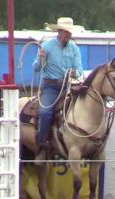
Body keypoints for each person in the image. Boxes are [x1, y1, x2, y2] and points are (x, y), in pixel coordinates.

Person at [32, 17, 83, 158]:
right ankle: (42, 144)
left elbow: (79, 69)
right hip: (50, 87)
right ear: (59, 32)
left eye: (69, 32)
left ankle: (77, 141)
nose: (68, 35)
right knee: (45, 113)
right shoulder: (47, 46)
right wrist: (41, 58)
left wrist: (75, 73)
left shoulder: (74, 49)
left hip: (68, 86)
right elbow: (36, 68)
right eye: (65, 32)